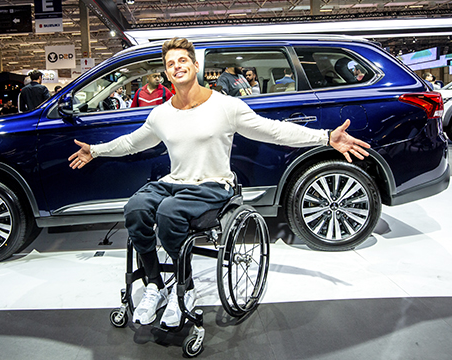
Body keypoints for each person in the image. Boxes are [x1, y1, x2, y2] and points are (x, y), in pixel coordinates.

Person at [68, 37, 370, 328]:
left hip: (213, 185)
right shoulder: (161, 114)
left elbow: (274, 132)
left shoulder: (226, 107)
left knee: (169, 212)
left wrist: (326, 137)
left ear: (195, 65)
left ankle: (183, 289)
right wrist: (96, 151)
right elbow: (132, 143)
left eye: (182, 60)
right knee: (135, 208)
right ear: (166, 71)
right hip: (176, 181)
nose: (177, 66)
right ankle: (155, 285)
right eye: (171, 63)